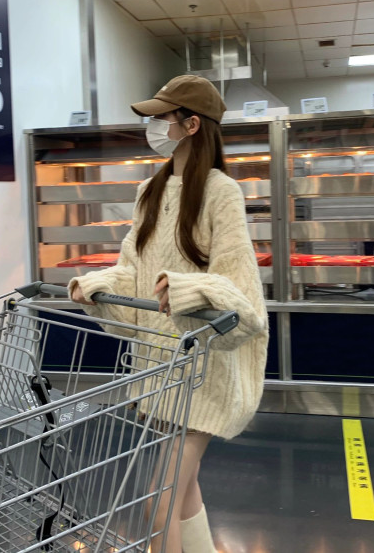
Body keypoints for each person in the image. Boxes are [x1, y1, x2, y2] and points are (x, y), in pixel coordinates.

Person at [68, 74, 269, 553]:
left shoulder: (221, 191)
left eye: (162, 117)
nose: (153, 126)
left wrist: (187, 290)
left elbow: (239, 289)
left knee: (158, 506)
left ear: (192, 124)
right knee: (184, 490)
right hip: (158, 366)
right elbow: (132, 269)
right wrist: (98, 286)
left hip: (203, 371)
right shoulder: (149, 191)